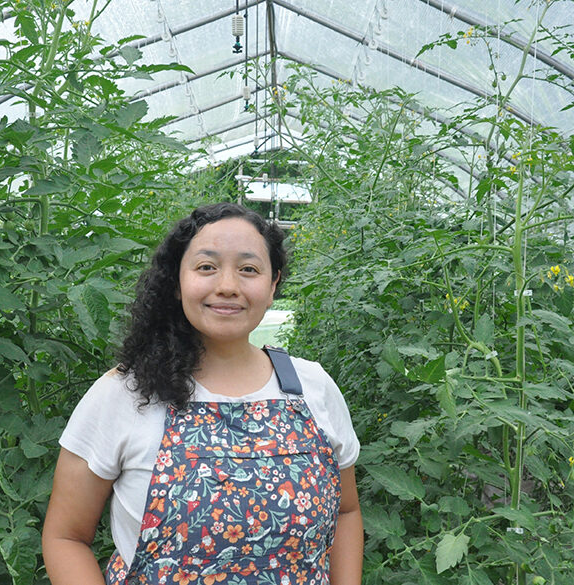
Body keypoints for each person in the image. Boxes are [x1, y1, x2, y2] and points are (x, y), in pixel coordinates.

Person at [42, 202, 362, 585]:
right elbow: (65, 537)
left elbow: (346, 512)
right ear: (177, 283)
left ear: (274, 284)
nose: (227, 286)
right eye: (207, 267)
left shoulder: (312, 387)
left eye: (248, 269)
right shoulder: (125, 393)